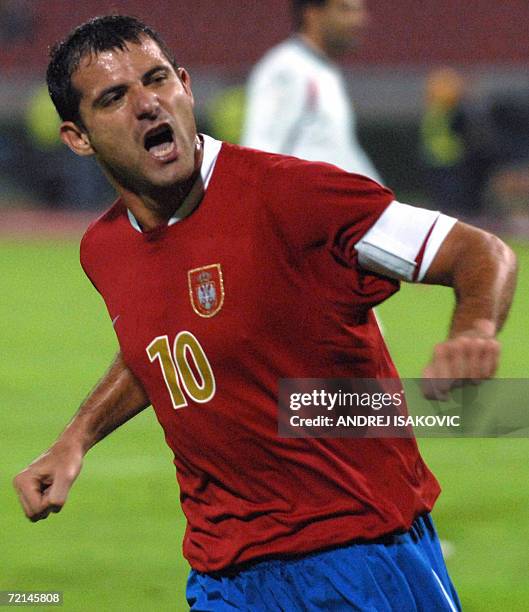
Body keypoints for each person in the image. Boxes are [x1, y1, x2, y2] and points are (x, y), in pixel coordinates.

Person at [12, 15, 516, 611]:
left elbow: (479, 250)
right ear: (77, 137)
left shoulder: (293, 196)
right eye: (115, 97)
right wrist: (75, 440)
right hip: (223, 575)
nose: (147, 105)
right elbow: (163, 343)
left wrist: (475, 327)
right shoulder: (104, 249)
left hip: (361, 557)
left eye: (157, 80)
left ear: (186, 85)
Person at [241, 0, 381, 181]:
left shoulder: (324, 71)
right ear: (312, 14)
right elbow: (261, 151)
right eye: (346, 9)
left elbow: (340, 152)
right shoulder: (286, 68)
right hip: (301, 205)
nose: (359, 20)